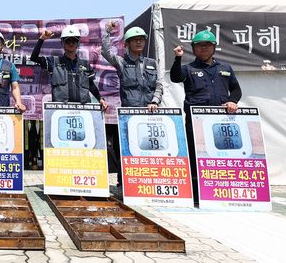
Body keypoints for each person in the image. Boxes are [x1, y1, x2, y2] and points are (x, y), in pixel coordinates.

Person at [171, 29, 242, 202]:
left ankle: (223, 191)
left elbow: (236, 89)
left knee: (222, 156)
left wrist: (233, 101)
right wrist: (178, 58)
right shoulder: (188, 69)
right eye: (199, 46)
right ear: (193, 49)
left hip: (221, 122)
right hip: (196, 123)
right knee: (196, 157)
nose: (203, 48)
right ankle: (197, 194)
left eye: (207, 45)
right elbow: (175, 77)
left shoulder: (225, 68)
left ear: (214, 47)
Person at [101, 22, 164, 187]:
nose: (138, 42)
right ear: (127, 44)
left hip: (150, 114)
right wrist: (107, 32)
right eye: (134, 40)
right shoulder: (121, 62)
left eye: (141, 40)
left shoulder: (152, 63)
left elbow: (159, 84)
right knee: (128, 148)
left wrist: (155, 101)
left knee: (149, 146)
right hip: (129, 114)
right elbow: (105, 52)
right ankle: (125, 182)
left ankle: (149, 181)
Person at [29, 25, 108, 110]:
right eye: (68, 41)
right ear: (62, 43)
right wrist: (42, 39)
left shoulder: (85, 64)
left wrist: (100, 98)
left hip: (83, 110)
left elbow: (91, 85)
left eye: (74, 41)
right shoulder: (54, 62)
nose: (71, 43)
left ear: (78, 43)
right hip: (61, 110)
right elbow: (34, 58)